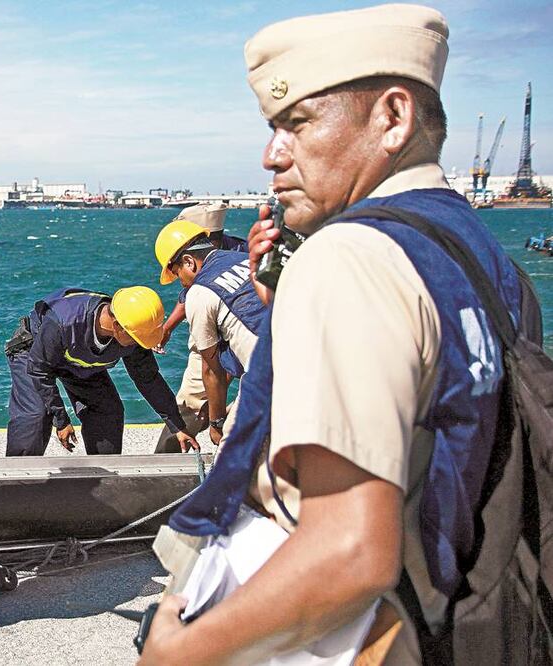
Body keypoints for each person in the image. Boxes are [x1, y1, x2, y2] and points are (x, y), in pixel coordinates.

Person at [140, 5, 528, 663]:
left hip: (344, 636)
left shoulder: (347, 256)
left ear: (393, 117)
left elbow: (348, 551)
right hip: (447, 607)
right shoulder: (479, 253)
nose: (272, 154)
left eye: (296, 123)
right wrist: (281, 305)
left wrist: (180, 654)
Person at [5, 286, 197, 456]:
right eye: (136, 339)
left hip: (78, 359)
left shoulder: (133, 330)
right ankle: (17, 480)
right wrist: (61, 419)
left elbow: (148, 379)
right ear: (117, 326)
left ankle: (103, 476)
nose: (139, 343)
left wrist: (177, 426)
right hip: (34, 354)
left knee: (108, 412)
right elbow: (39, 370)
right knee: (35, 416)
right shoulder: (64, 323)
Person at [154, 219, 265, 447]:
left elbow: (212, 370)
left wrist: (217, 423)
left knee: (232, 450)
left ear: (188, 262)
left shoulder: (199, 293)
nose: (180, 283)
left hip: (275, 373)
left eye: (176, 273)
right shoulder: (247, 260)